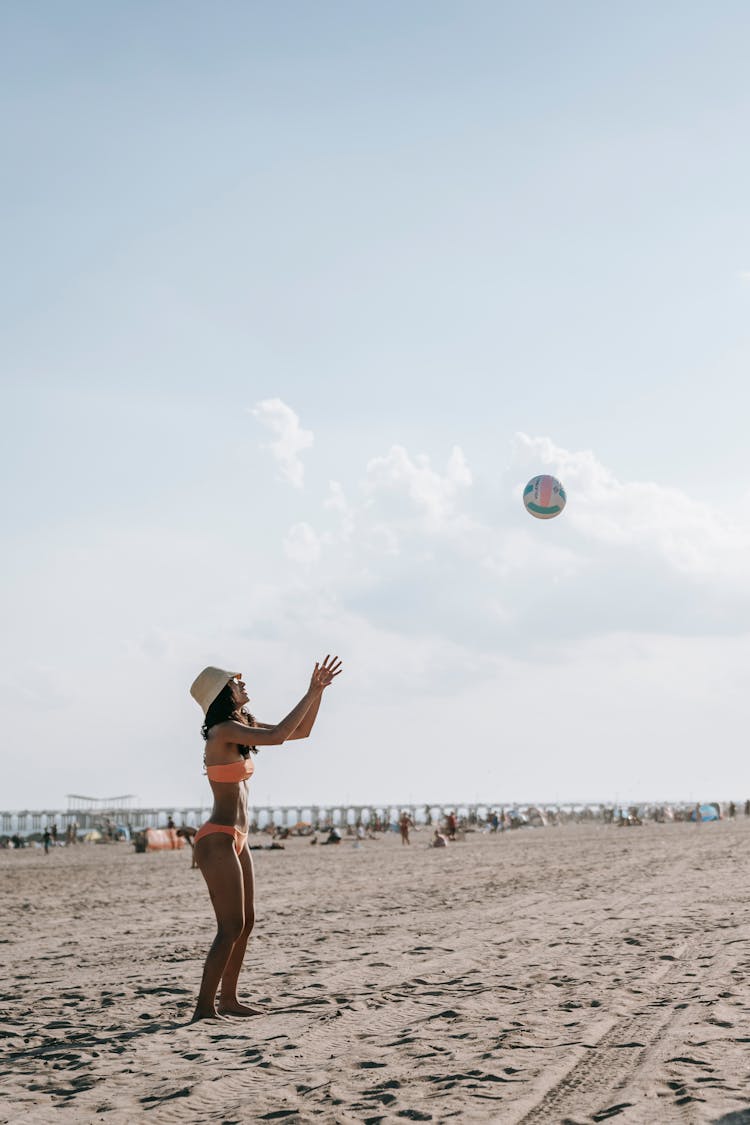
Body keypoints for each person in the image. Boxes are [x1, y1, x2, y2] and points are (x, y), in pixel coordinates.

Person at [188, 656, 342, 1022]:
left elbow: (299, 732)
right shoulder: (222, 731)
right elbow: (277, 737)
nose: (243, 686)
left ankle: (229, 1000)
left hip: (238, 837)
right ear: (223, 694)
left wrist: (317, 693)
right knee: (230, 927)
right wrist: (309, 690)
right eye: (236, 683)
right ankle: (203, 1008)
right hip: (218, 838)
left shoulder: (240, 726)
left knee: (246, 922)